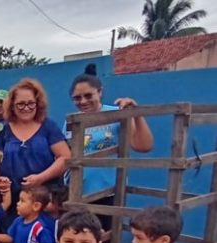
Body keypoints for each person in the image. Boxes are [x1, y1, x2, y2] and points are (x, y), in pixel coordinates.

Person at [66, 63, 154, 232]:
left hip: (108, 194)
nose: (83, 101)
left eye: (88, 95)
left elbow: (143, 145)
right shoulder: (72, 121)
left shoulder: (116, 115)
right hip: (77, 194)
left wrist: (136, 114)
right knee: (81, 242)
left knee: (106, 241)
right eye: (77, 98)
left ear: (100, 92)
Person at [0, 78, 71, 230]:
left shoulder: (48, 126)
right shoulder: (6, 131)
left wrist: (41, 178)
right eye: (20, 104)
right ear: (12, 106)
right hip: (14, 204)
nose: (26, 108)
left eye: (30, 103)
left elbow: (65, 157)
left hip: (44, 202)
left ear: (38, 103)